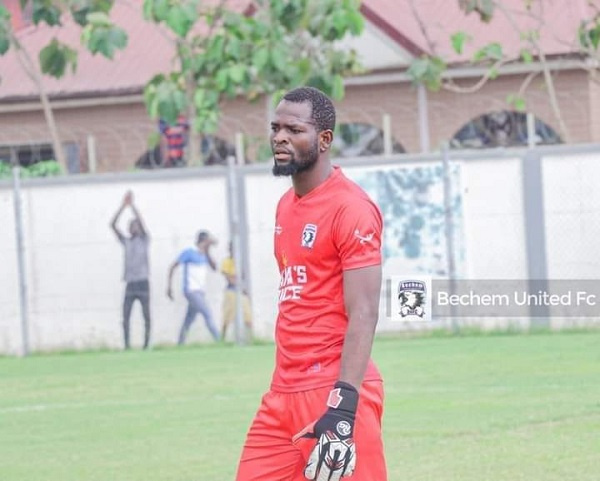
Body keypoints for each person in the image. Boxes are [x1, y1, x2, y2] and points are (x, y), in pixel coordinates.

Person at [235, 86, 386, 481]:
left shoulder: (352, 208)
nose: (280, 137)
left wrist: (343, 406)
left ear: (324, 140)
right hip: (282, 393)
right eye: (276, 128)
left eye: (294, 129)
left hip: (334, 390)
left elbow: (365, 311)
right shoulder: (286, 206)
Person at [110, 190, 151, 350]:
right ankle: (127, 345)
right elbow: (112, 225)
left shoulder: (144, 240)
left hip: (143, 282)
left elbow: (142, 222)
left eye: (135, 226)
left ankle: (146, 345)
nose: (133, 228)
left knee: (146, 316)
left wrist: (133, 206)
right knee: (125, 316)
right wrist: (123, 207)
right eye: (131, 226)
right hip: (130, 283)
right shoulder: (126, 242)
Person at [167, 230, 220, 344]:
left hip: (200, 291)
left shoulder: (205, 255)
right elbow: (173, 266)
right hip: (191, 290)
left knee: (189, 319)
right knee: (207, 314)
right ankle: (218, 339)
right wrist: (169, 287)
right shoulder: (189, 252)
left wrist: (208, 252)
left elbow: (214, 268)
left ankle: (180, 343)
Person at [220, 242, 253, 341]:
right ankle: (222, 339)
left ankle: (250, 339)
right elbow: (229, 278)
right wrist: (236, 280)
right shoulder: (226, 262)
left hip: (240, 291)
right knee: (227, 317)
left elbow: (242, 277)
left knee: (248, 316)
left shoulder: (239, 262)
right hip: (231, 291)